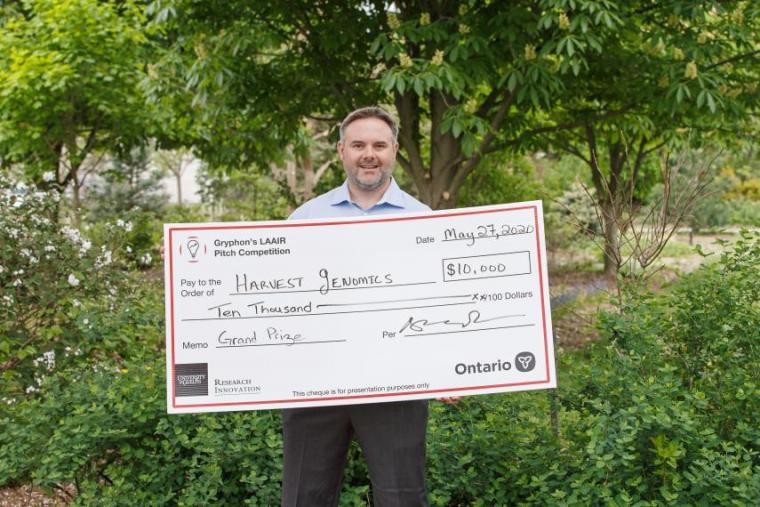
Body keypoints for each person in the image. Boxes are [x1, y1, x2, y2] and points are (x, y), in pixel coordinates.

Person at [283, 107, 457, 507]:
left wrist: (447, 367)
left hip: (397, 381)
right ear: (342, 150)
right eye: (358, 144)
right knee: (303, 496)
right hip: (316, 381)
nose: (369, 154)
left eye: (379, 145)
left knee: (402, 497)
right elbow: (279, 297)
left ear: (394, 150)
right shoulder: (305, 218)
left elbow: (442, 302)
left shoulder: (423, 220)